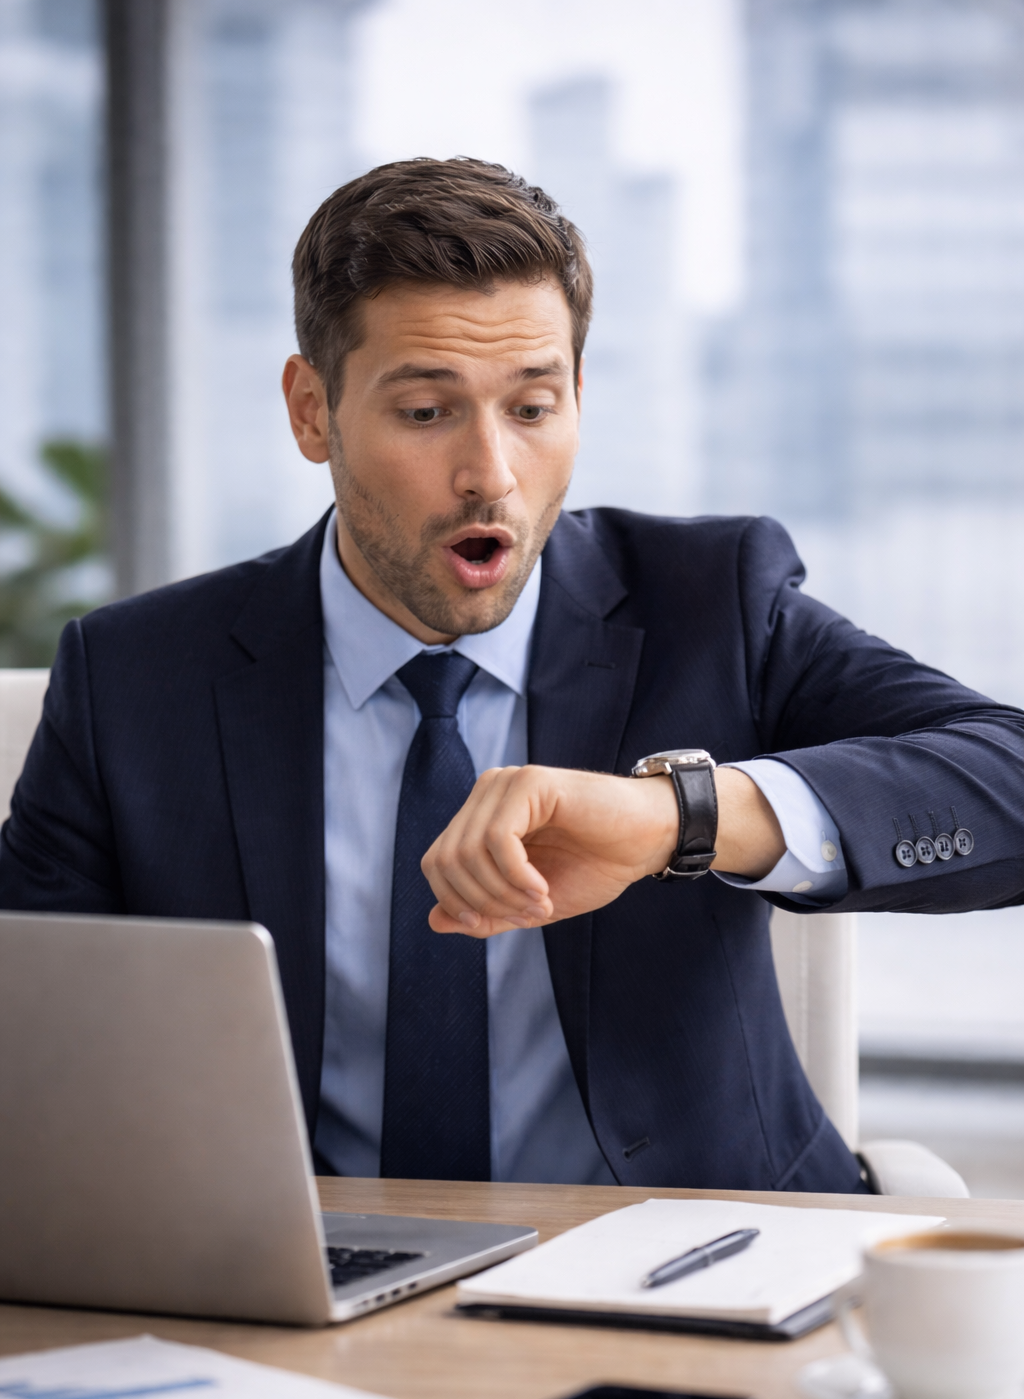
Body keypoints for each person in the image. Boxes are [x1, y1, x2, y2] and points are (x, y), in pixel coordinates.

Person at [2, 159, 1021, 1196]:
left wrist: (677, 817)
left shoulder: (712, 604)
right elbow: (28, 1046)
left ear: (578, 396)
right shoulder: (133, 680)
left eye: (532, 409)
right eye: (427, 413)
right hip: (295, 1287)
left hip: (697, 1256)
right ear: (312, 411)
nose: (490, 472)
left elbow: (1007, 777)